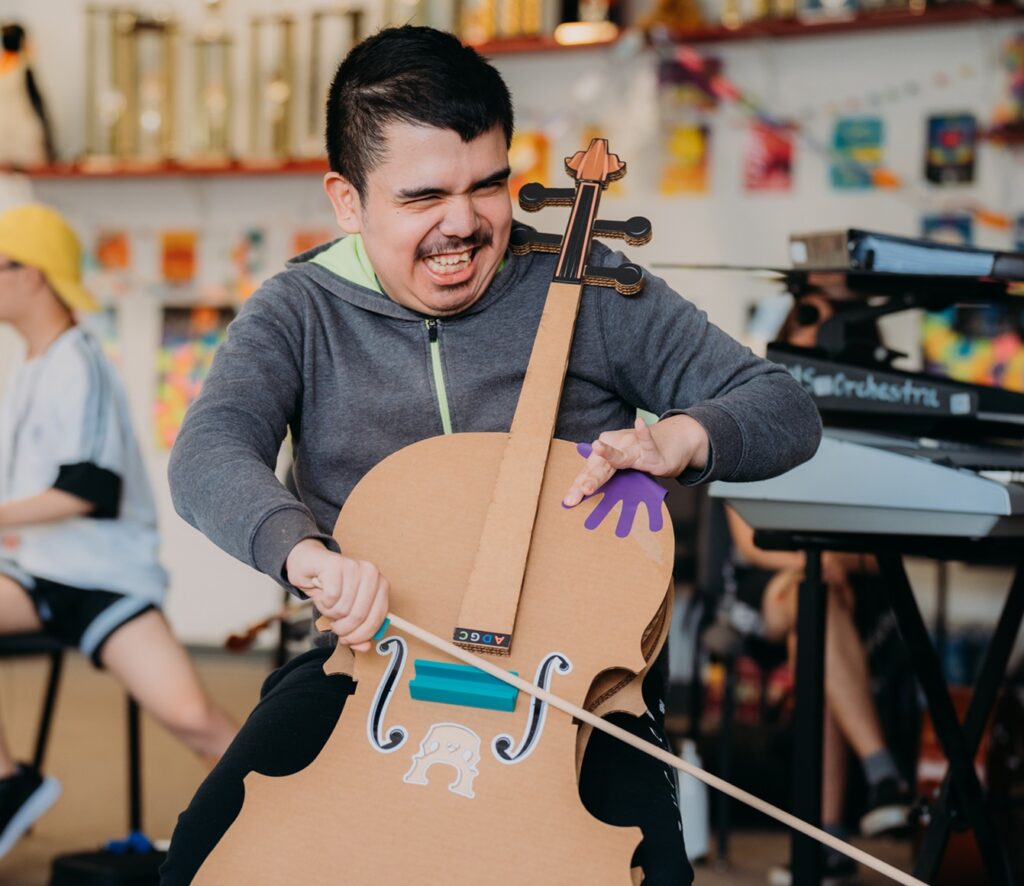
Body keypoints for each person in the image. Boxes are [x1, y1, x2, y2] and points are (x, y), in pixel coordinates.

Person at [161, 26, 822, 885]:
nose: (465, 224)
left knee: (642, 872)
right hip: (371, 667)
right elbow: (207, 450)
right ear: (348, 201)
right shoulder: (300, 309)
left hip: (569, 687)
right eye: (424, 197)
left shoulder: (589, 283)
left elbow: (784, 408)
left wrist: (680, 436)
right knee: (207, 859)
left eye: (489, 185)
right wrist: (304, 554)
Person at [0, 203, 238, 859]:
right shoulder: (31, 366)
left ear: (33, 274)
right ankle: (9, 783)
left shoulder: (79, 362)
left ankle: (285, 826)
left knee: (194, 720)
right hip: (36, 574)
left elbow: (87, 490)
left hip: (104, 580)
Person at [712, 290, 911, 886]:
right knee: (810, 594)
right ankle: (879, 773)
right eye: (807, 318)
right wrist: (819, 561)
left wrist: (831, 565)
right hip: (765, 587)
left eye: (834, 323)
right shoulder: (752, 404)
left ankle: (826, 845)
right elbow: (751, 541)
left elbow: (885, 547)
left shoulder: (876, 418)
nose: (819, 334)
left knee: (814, 619)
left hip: (844, 597)